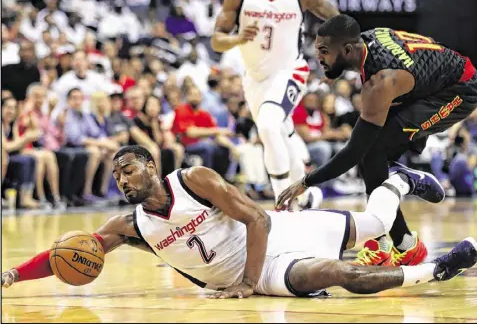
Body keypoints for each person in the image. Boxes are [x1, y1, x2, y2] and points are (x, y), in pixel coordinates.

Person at [2, 146, 477, 298]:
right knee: (336, 273)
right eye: (116, 175)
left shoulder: (195, 179)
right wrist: (13, 274)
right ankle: (435, 270)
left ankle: (399, 182)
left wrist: (246, 282)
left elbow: (256, 221)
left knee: (376, 221)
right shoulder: (129, 226)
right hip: (267, 272)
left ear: (151, 166)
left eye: (128, 169)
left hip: (273, 234)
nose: (122, 179)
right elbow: (71, 251)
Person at [278, 14, 477, 267]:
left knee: (372, 151)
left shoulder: (380, 82)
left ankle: (406, 190)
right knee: (373, 155)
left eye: (324, 52)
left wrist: (306, 181)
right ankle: (400, 243)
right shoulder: (367, 43)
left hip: (458, 89)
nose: (319, 59)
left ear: (348, 49)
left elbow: (352, 152)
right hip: (427, 83)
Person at [211, 0, 340, 208]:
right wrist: (236, 39)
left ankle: (284, 204)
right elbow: (216, 40)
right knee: (280, 131)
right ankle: (309, 195)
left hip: (289, 70)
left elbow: (338, 21)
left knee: (269, 126)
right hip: (255, 78)